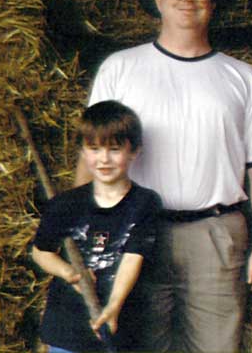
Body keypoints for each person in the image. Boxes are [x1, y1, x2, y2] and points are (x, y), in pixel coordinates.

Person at [74, 0, 252, 353]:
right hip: (135, 229)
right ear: (157, 0)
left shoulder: (242, 77)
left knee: (217, 345)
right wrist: (86, 232)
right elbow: (91, 156)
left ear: (213, 3)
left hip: (216, 233)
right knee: (140, 341)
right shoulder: (121, 68)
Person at [32, 100, 161, 353]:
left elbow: (133, 257)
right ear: (83, 151)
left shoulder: (145, 203)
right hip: (66, 327)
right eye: (94, 148)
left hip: (119, 325)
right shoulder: (65, 204)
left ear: (134, 151)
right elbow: (41, 252)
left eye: (114, 149)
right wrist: (70, 273)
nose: (104, 159)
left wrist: (113, 306)